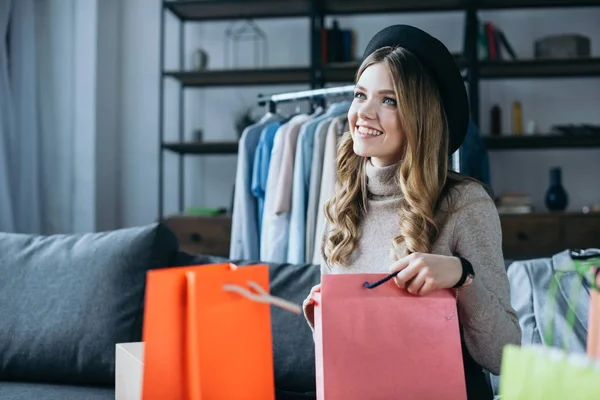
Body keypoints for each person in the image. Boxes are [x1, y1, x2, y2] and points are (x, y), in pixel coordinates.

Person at [302, 25, 521, 399]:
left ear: (420, 118)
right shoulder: (342, 205)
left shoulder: (463, 203)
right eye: (360, 95)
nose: (363, 113)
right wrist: (321, 318)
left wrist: (462, 277)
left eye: (389, 101)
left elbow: (506, 357)